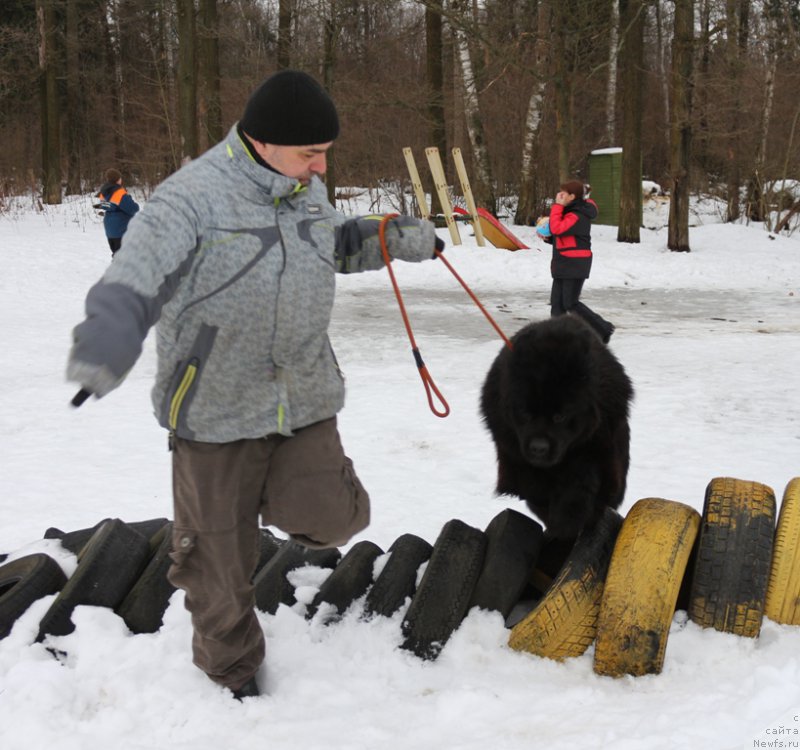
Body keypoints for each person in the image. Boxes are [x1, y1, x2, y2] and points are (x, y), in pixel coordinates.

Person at [67, 69, 441, 700]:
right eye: (311, 154)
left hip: (301, 398)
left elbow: (333, 243)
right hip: (214, 410)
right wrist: (108, 338)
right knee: (217, 566)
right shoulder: (190, 199)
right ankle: (232, 674)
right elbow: (134, 277)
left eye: (324, 153)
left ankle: (268, 497)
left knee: (335, 519)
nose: (321, 168)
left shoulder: (303, 189)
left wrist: (388, 236)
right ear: (264, 143)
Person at [544, 179, 614, 343]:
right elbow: (564, 237)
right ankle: (557, 337)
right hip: (563, 262)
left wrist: (557, 207)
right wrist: (549, 239)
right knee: (557, 303)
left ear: (572, 196)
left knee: (570, 303)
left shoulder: (578, 214)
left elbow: (558, 228)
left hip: (575, 264)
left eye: (563, 193)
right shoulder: (570, 212)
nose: (559, 196)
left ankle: (603, 328)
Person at [95, 168, 140, 257]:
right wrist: (130, 200)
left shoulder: (103, 192)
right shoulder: (119, 193)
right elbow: (133, 209)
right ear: (118, 179)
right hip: (121, 229)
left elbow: (107, 206)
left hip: (110, 229)